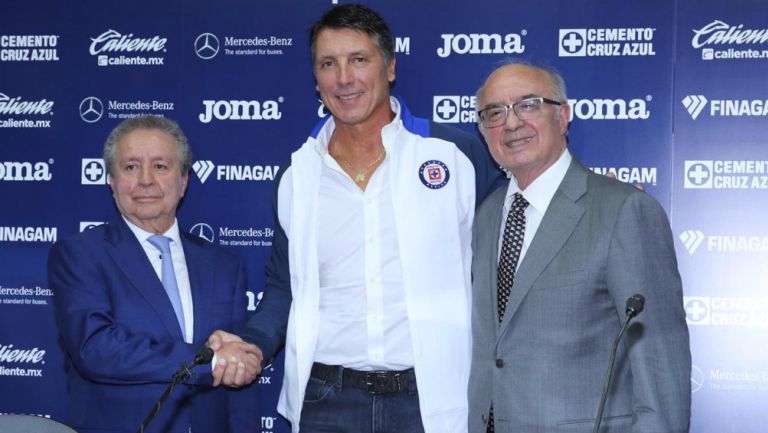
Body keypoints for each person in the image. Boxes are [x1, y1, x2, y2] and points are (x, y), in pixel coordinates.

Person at [207, 4, 502, 433]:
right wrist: (253, 344)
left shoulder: (454, 155)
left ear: (390, 68)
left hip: (434, 399)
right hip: (326, 401)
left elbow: (518, 236)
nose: (344, 78)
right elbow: (284, 287)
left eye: (358, 60)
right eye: (329, 64)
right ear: (317, 80)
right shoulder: (296, 175)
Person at [468, 60, 691, 433]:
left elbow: (659, 360)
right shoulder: (488, 215)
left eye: (528, 104)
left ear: (563, 116)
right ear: (482, 130)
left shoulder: (623, 209)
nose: (510, 123)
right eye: (495, 112)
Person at [48, 116, 259, 433]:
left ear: (184, 180)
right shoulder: (79, 255)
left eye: (160, 166)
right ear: (112, 181)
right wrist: (206, 360)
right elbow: (96, 349)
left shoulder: (224, 265)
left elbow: (238, 384)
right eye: (131, 167)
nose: (145, 180)